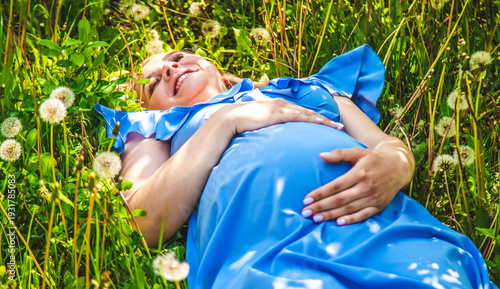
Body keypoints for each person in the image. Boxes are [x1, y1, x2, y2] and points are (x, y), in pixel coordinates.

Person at [95, 45, 497, 288]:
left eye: (177, 57)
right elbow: (141, 221)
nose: (169, 68)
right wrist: (223, 123)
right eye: (153, 85)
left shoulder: (304, 90)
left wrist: (398, 164)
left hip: (370, 224)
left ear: (221, 68)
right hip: (263, 251)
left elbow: (385, 145)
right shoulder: (155, 131)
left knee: (436, 276)